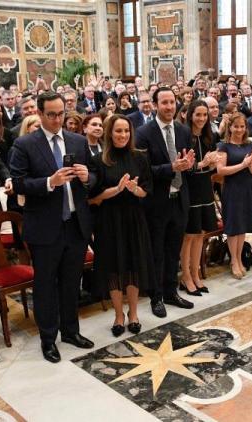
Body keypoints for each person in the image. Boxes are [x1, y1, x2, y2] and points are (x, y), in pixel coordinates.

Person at [10, 92, 96, 363]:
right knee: (46, 285)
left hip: (75, 223)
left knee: (72, 282)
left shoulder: (78, 140)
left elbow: (95, 176)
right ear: (39, 113)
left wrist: (87, 177)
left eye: (61, 113)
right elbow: (19, 183)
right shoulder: (25, 144)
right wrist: (50, 182)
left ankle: (71, 331)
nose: (58, 119)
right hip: (45, 226)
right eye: (51, 114)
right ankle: (48, 339)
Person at [87, 115, 152, 337]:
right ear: (109, 133)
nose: (122, 135)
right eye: (118, 131)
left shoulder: (140, 158)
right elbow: (93, 196)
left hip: (134, 219)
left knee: (133, 266)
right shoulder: (99, 160)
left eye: (126, 131)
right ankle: (118, 315)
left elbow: (146, 191)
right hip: (108, 220)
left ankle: (133, 313)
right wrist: (117, 188)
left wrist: (133, 189)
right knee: (113, 267)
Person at [135, 87, 196, 318]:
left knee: (173, 250)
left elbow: (187, 162)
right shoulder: (144, 132)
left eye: (172, 102)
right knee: (156, 252)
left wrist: (189, 165)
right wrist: (171, 168)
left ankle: (171, 292)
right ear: (155, 105)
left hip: (179, 198)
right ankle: (156, 296)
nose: (169, 107)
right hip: (156, 203)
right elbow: (143, 171)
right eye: (164, 103)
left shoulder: (183, 130)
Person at [180, 101, 218, 293]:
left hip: (205, 189)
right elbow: (184, 168)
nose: (202, 118)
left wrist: (212, 164)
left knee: (201, 234)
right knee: (189, 236)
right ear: (190, 116)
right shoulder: (184, 137)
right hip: (190, 190)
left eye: (205, 115)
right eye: (198, 115)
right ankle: (185, 276)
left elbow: (211, 168)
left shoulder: (209, 137)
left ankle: (195, 274)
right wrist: (203, 164)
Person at [216, 113, 252, 279]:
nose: (239, 130)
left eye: (242, 126)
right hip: (232, 189)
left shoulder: (250, 145)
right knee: (234, 227)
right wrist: (243, 164)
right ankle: (233, 260)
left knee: (243, 226)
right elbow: (221, 170)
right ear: (230, 127)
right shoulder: (224, 145)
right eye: (236, 126)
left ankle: (239, 258)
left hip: (247, 188)